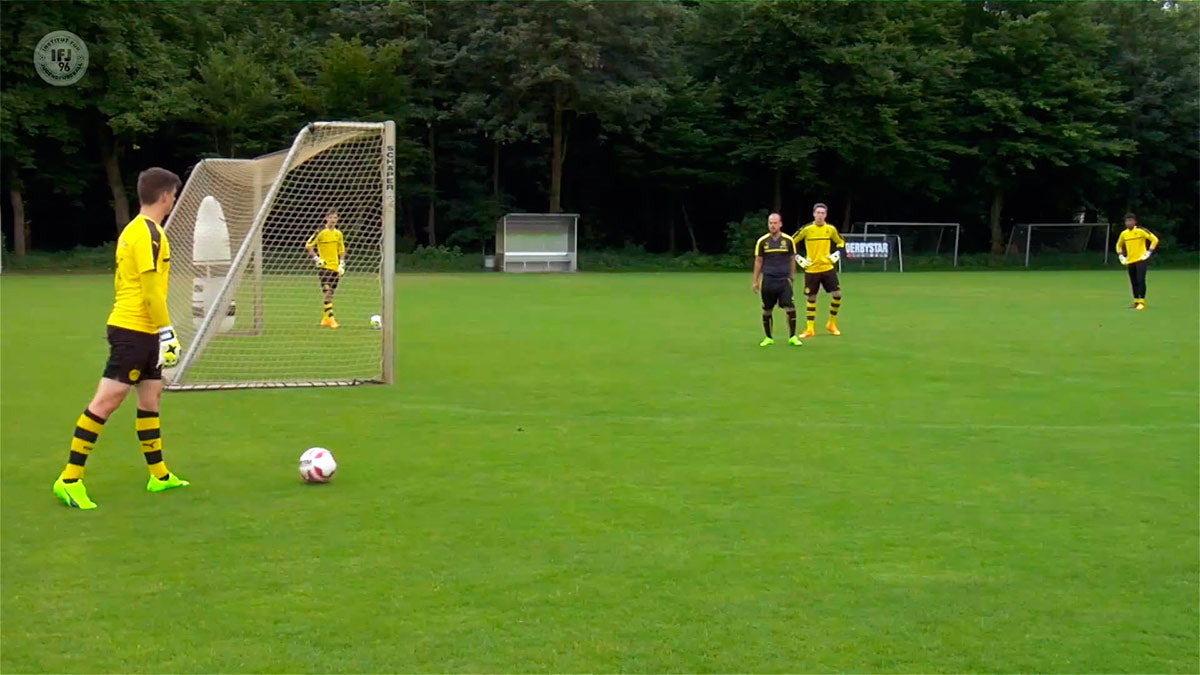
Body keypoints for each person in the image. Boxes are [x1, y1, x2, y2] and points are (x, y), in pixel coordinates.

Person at [52, 168, 190, 510]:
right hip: (134, 330)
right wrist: (167, 331)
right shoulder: (147, 234)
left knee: (150, 400)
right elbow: (150, 291)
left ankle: (158, 475)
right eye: (173, 194)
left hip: (141, 330)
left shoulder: (137, 230)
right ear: (164, 196)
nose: (173, 200)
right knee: (107, 401)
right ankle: (69, 479)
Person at [793, 203, 846, 338]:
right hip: (811, 269)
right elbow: (790, 242)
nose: (820, 215)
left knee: (837, 294)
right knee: (811, 297)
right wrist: (798, 257)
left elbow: (841, 242)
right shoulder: (807, 229)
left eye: (823, 213)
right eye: (818, 213)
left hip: (827, 268)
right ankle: (810, 329)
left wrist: (837, 254)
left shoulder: (830, 229)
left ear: (826, 215)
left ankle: (831, 323)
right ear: (814, 214)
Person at [752, 212, 802, 347]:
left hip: (783, 280)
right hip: (768, 280)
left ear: (780, 224)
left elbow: (792, 258)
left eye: (775, 223)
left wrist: (792, 275)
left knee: (790, 308)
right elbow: (758, 261)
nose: (772, 225)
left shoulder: (788, 240)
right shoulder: (762, 241)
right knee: (767, 309)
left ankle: (792, 336)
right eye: (770, 223)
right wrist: (755, 281)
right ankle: (768, 337)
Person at [304, 208, 346, 329]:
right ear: (326, 218)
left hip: (335, 268)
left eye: (335, 217)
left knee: (330, 293)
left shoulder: (338, 233)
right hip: (324, 267)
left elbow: (342, 249)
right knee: (327, 291)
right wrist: (317, 260)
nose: (333, 220)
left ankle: (325, 318)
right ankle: (331, 318)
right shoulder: (320, 232)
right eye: (331, 217)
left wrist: (342, 263)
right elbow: (308, 246)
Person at [1115, 212, 1159, 311]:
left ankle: (1142, 302)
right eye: (1127, 221)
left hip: (1141, 259)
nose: (1128, 223)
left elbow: (1154, 240)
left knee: (1140, 280)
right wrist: (1121, 255)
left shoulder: (1141, 231)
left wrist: (1149, 252)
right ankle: (1135, 301)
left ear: (1135, 222)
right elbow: (1118, 244)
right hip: (1130, 260)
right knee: (1133, 281)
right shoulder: (1124, 234)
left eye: (1130, 220)